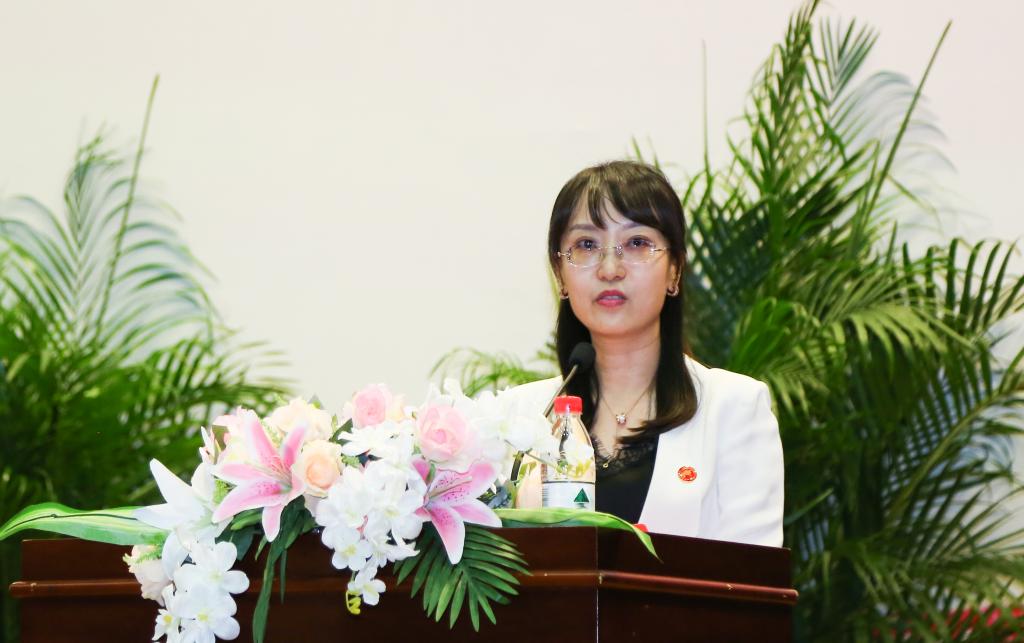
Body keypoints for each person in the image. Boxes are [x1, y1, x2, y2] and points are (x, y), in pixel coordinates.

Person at [515, 160, 784, 548]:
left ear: (675, 270)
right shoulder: (518, 419)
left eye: (637, 243)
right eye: (586, 245)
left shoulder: (733, 410)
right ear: (560, 274)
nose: (610, 268)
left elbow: (753, 575)